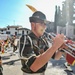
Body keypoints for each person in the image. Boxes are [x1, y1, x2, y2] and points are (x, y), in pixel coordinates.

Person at [19, 11, 66, 75]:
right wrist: (54, 46)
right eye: (41, 23)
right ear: (33, 25)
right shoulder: (25, 38)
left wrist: (61, 48)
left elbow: (56, 57)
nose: (44, 27)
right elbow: (33, 67)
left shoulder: (44, 40)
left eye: (45, 24)